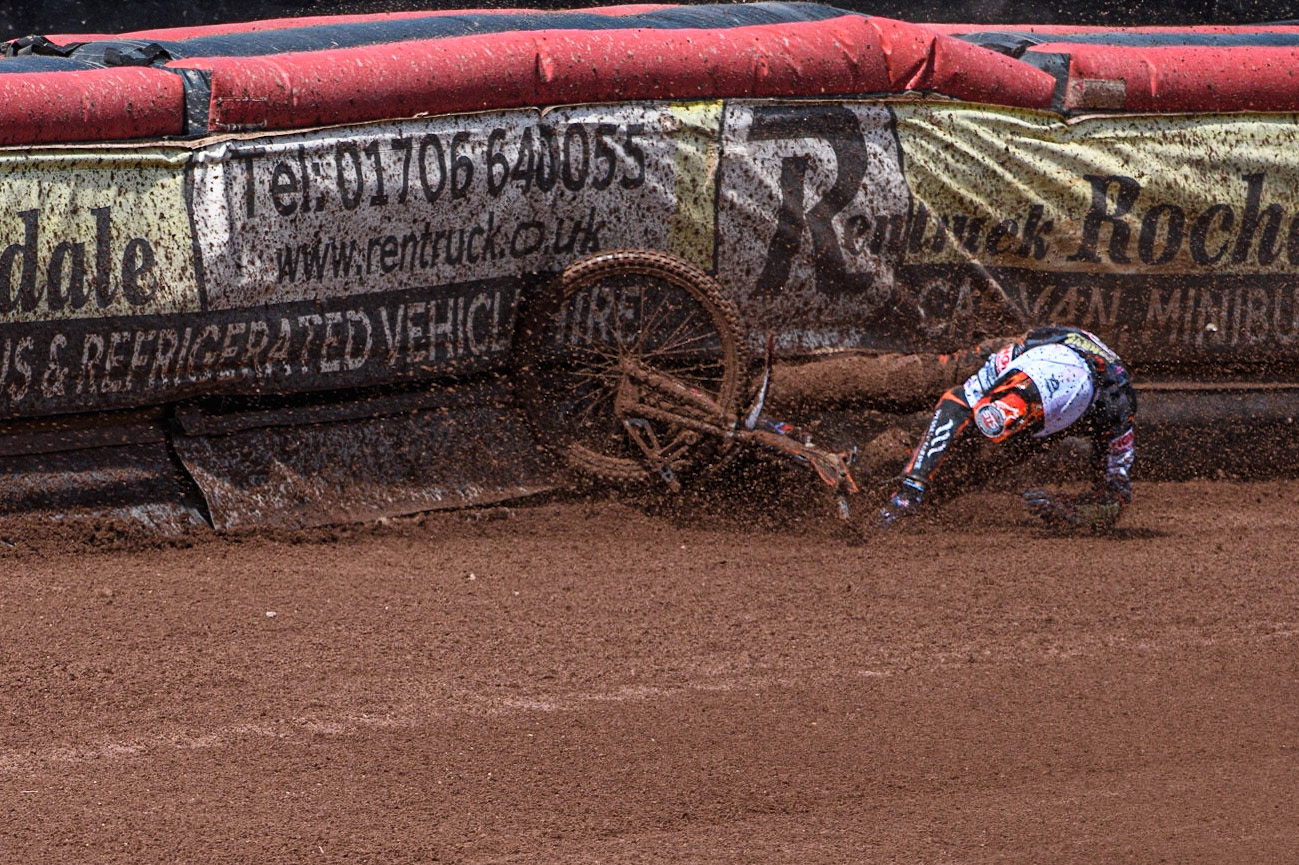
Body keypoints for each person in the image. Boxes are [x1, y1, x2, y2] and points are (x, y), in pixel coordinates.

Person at [877, 325, 1136, 530]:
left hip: (1063, 395)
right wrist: (914, 482)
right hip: (1040, 344)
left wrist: (1067, 510)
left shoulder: (1116, 409)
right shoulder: (1009, 357)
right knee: (932, 377)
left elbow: (1116, 497)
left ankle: (914, 501)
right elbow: (956, 401)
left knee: (980, 464)